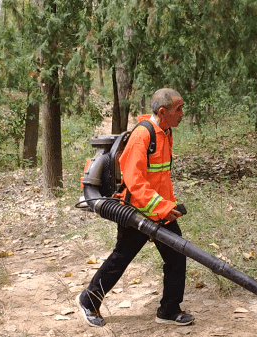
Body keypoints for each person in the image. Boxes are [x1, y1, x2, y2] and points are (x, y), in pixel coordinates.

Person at [76, 88, 194, 327]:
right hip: (136, 212)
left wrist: (168, 207)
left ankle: (169, 310)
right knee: (121, 258)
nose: (182, 113)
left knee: (176, 255)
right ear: (163, 112)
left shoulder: (166, 132)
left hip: (160, 211)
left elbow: (160, 178)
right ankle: (88, 301)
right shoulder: (142, 136)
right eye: (178, 109)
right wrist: (161, 208)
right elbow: (135, 182)